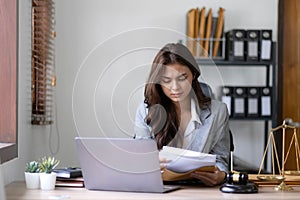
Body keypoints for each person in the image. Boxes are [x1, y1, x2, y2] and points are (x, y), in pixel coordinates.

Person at [134, 43, 230, 186]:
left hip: (199, 191)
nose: (175, 87)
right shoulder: (146, 110)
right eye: (166, 81)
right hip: (160, 190)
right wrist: (149, 166)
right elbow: (139, 161)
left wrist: (221, 176)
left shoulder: (218, 111)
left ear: (194, 74)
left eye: (182, 78)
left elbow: (221, 160)